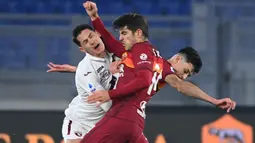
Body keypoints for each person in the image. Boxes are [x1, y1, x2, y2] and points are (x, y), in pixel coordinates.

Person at [79, 1, 236, 143]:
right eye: (186, 71)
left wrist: (109, 94)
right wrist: (94, 17)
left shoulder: (141, 50)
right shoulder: (157, 62)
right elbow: (108, 41)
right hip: (135, 124)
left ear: (138, 33)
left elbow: (145, 80)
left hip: (122, 116)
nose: (120, 37)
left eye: (124, 33)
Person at [58, 24, 120, 143]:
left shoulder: (112, 52)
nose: (91, 41)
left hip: (102, 125)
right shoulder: (86, 70)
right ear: (83, 49)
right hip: (81, 124)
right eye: (86, 42)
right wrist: (116, 75)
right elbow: (107, 105)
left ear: (98, 33)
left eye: (91, 36)